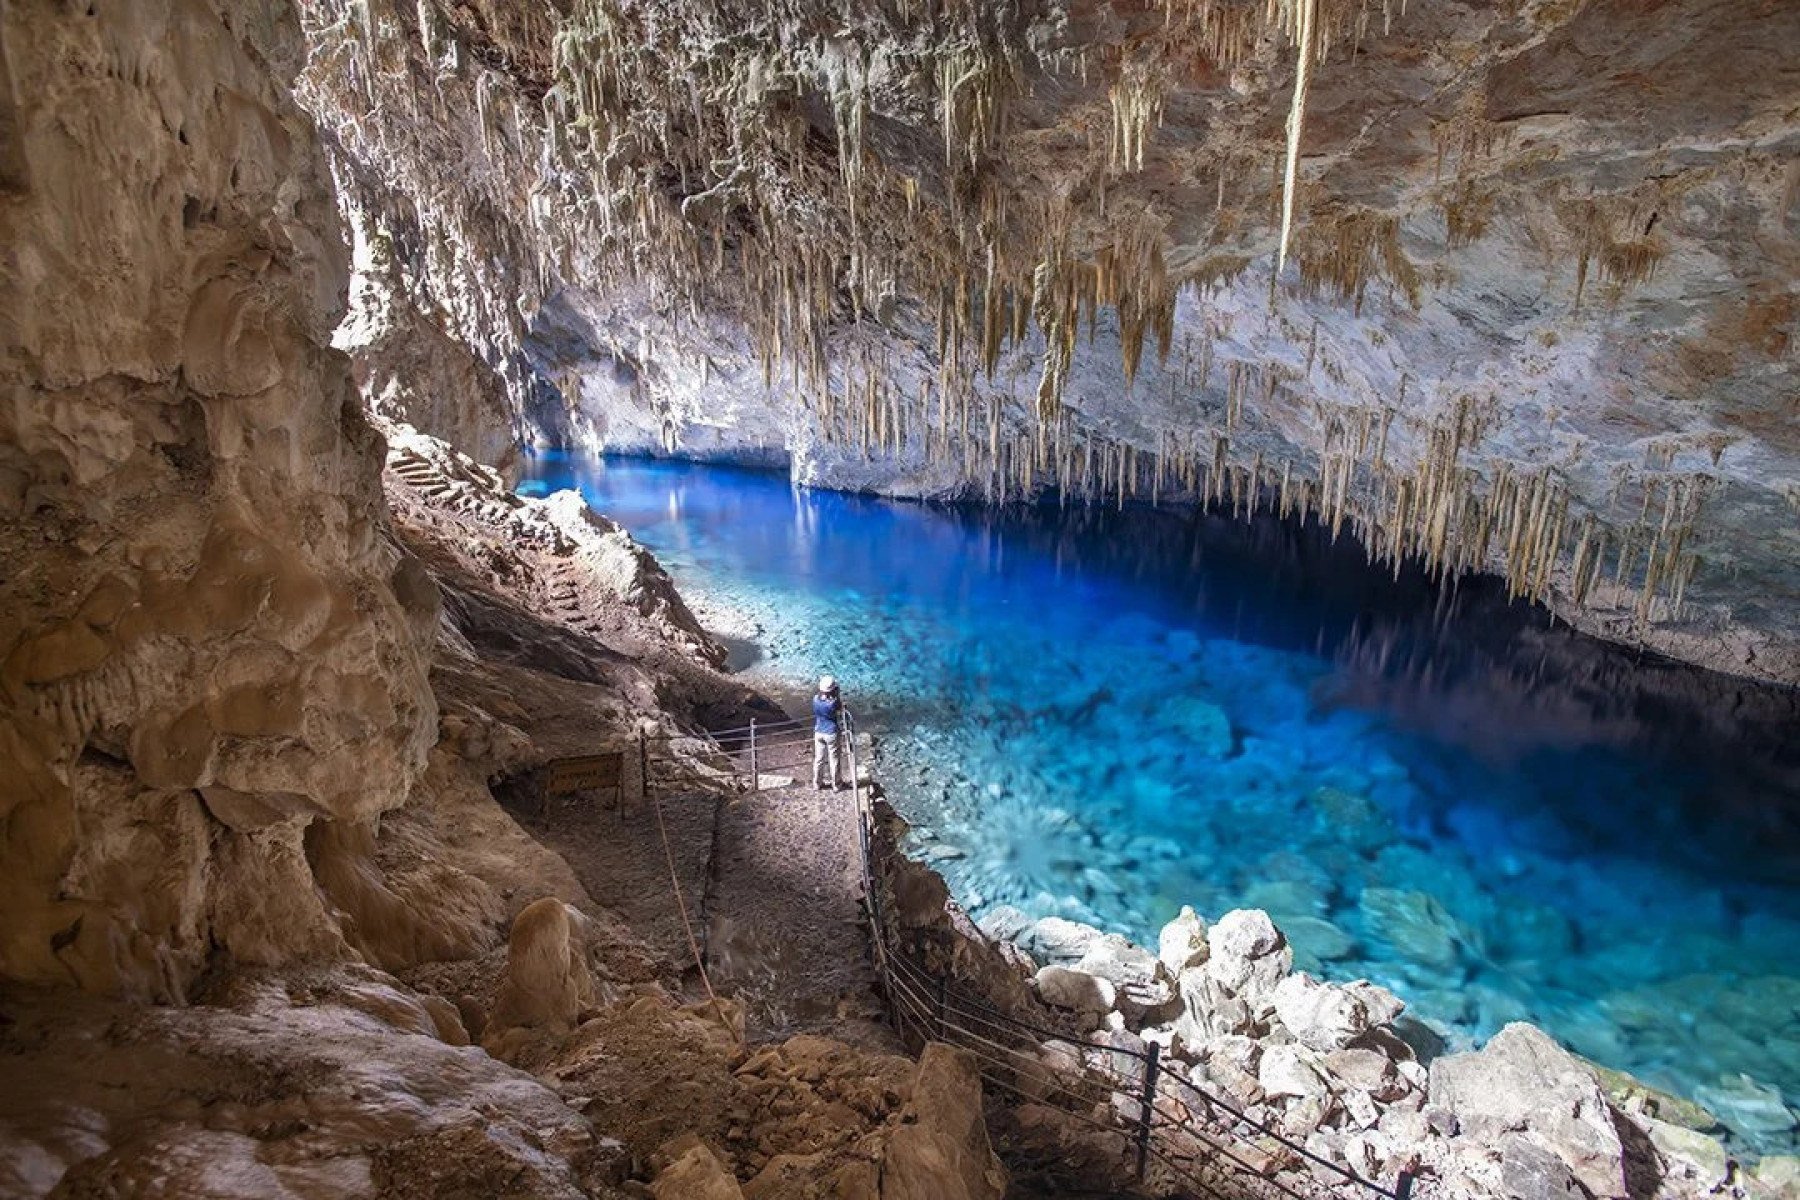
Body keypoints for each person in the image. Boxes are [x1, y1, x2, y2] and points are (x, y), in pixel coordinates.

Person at [812, 675, 847, 791]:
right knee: (834, 759)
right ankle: (836, 785)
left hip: (818, 731)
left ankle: (817, 783)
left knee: (819, 759)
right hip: (831, 732)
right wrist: (837, 694)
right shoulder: (832, 703)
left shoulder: (815, 699)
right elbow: (840, 707)